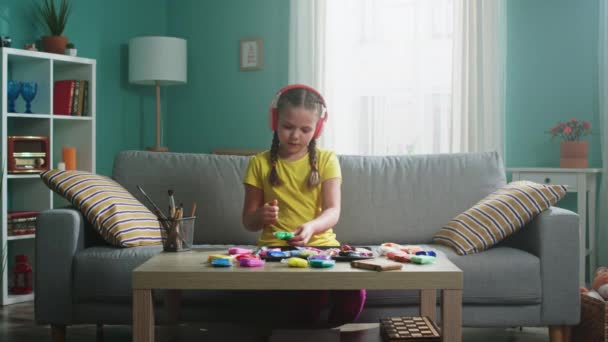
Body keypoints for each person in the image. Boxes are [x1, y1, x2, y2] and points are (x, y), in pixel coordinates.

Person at [241, 84, 366, 327]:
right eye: (287, 127)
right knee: (310, 294)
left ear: (318, 128)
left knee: (355, 291)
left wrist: (311, 227)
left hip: (321, 245)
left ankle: (327, 331)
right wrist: (261, 216)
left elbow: (333, 210)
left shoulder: (327, 160)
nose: (295, 136)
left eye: (305, 129)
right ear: (275, 121)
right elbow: (248, 221)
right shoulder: (259, 163)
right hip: (276, 248)